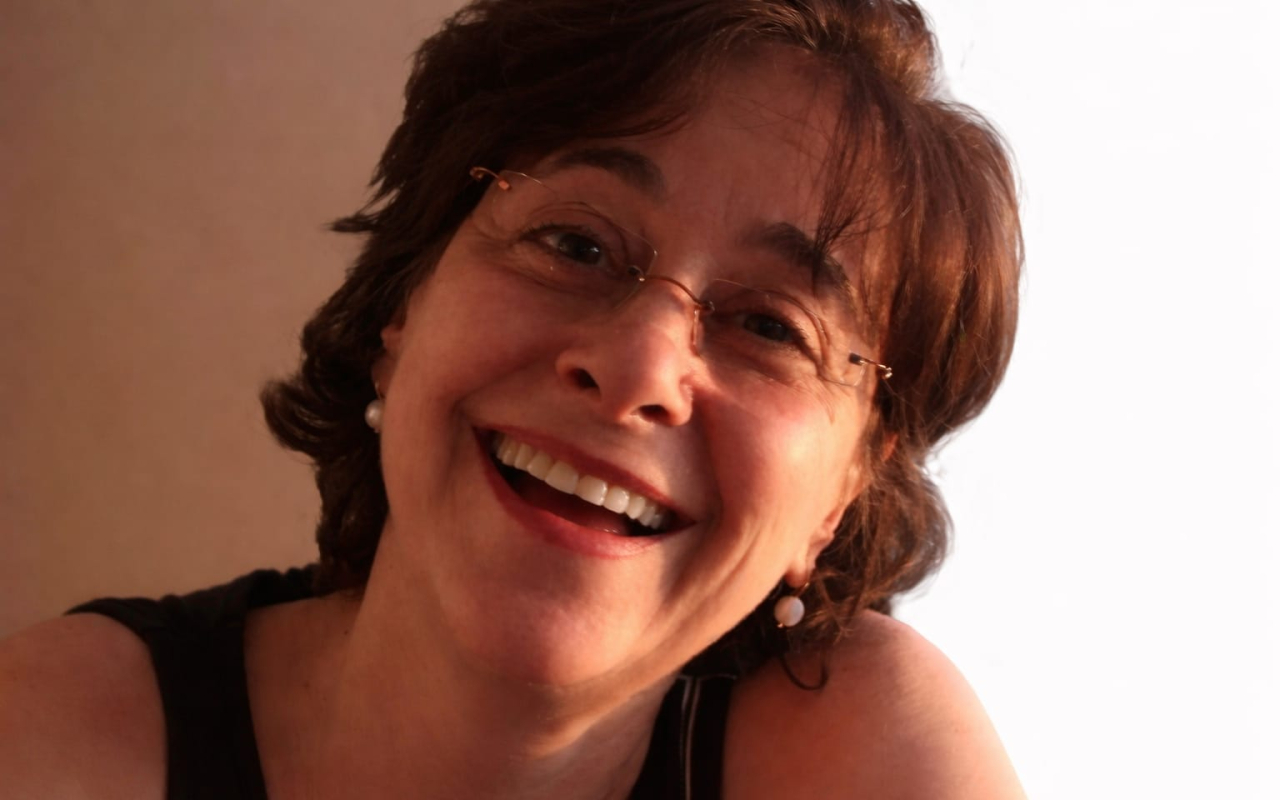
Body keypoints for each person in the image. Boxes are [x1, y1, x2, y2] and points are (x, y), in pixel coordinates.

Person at [0, 0, 1025, 797]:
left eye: (769, 327)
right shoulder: (57, 738)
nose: (638, 365)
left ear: (841, 495)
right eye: (575, 244)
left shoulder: (857, 748)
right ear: (403, 304)